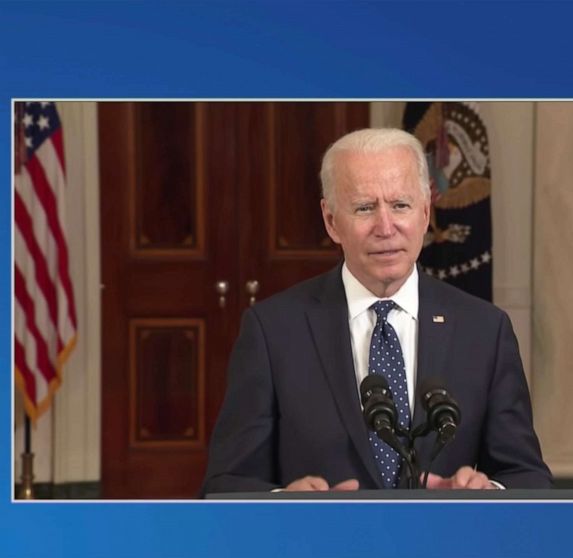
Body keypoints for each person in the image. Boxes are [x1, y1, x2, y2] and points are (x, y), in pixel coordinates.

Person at [201, 128, 551, 494]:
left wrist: (486, 494)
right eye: (365, 208)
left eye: (400, 205)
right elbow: (225, 486)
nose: (386, 228)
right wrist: (284, 507)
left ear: (426, 211)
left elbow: (527, 477)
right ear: (331, 221)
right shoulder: (273, 331)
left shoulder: (484, 330)